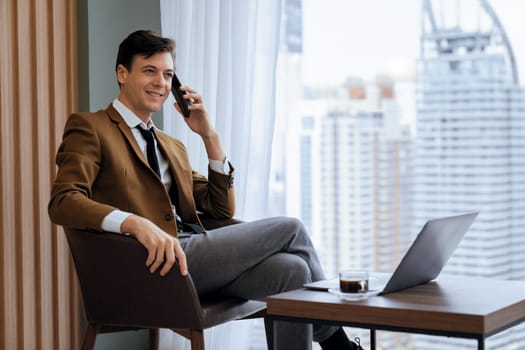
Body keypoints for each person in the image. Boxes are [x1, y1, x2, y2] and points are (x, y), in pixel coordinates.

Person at [48, 30, 363, 350]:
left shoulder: (171, 145)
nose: (161, 82)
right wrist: (133, 223)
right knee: (291, 228)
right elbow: (64, 201)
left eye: (168, 74)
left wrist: (208, 135)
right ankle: (340, 346)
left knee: (291, 272)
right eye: (149, 71)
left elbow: (219, 208)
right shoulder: (91, 127)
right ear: (122, 73)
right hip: (148, 263)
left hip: (190, 256)